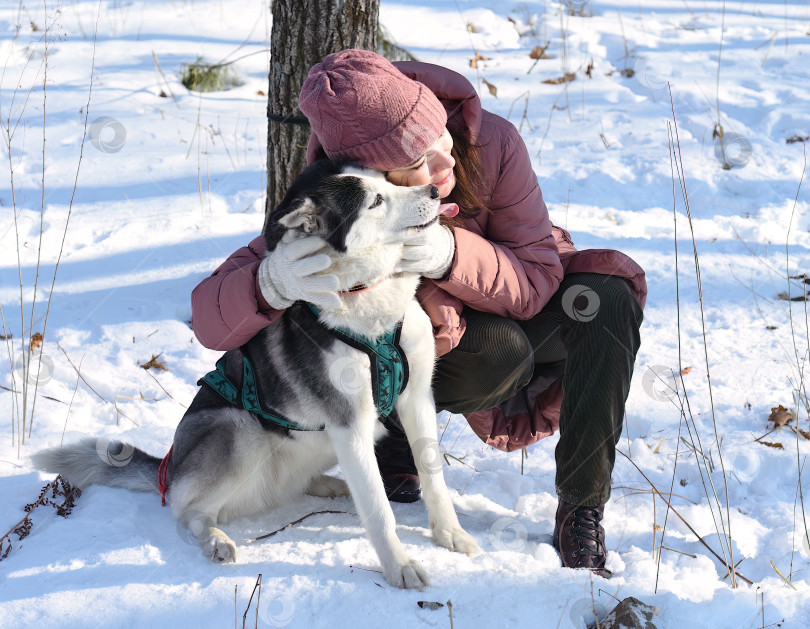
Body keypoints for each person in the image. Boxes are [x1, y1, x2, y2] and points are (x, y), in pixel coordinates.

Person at [190, 49, 646, 578]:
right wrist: (268, 282)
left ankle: (582, 504)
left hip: (509, 304)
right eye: (413, 165)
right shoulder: (339, 193)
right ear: (370, 175)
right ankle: (398, 448)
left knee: (605, 301)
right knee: (493, 351)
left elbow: (537, 280)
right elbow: (209, 318)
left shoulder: (493, 142)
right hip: (442, 355)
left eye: (439, 140)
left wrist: (451, 256)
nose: (441, 170)